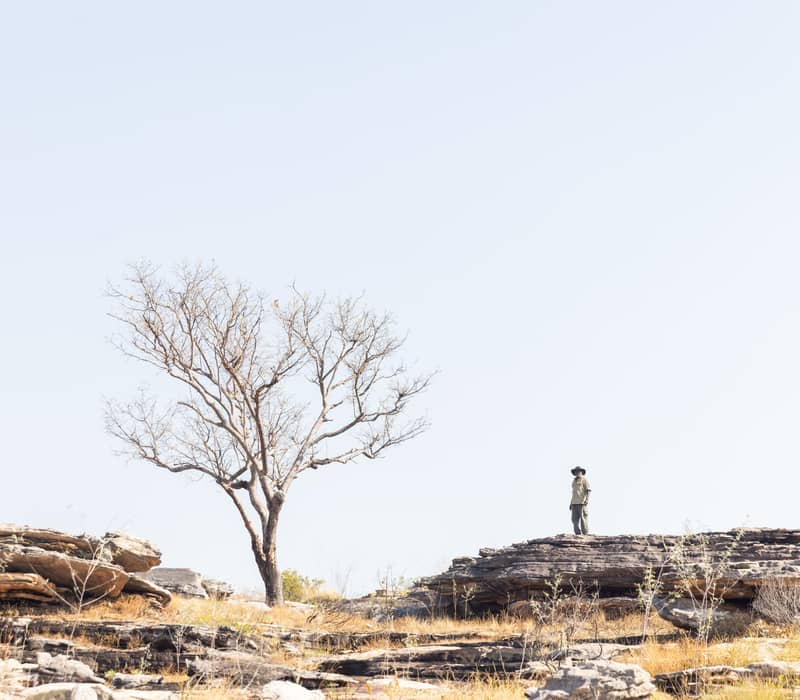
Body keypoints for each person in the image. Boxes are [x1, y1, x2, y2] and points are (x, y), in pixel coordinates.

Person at [569, 466, 591, 535]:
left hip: (582, 502)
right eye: (576, 471)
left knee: (583, 518)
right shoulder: (574, 481)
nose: (577, 472)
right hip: (574, 503)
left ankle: (585, 533)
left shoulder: (584, 480)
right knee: (574, 519)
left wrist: (586, 499)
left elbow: (588, 490)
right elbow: (574, 493)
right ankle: (577, 533)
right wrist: (571, 503)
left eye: (579, 471)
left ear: (581, 472)